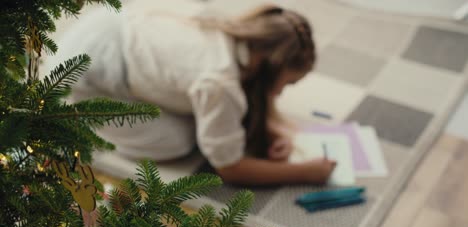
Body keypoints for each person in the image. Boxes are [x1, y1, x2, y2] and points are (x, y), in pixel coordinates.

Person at [48, 1, 337, 185]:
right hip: (82, 80)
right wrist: (305, 173)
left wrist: (272, 129)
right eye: (285, 84)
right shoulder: (221, 83)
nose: (281, 94)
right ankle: (84, 124)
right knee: (180, 139)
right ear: (268, 70)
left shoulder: (227, 28)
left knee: (203, 116)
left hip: (101, 25)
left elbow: (260, 95)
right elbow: (230, 166)